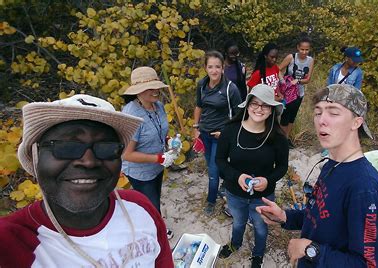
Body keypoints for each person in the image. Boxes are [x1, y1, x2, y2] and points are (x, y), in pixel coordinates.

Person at [0, 94, 173, 267]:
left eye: (106, 147)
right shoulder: (12, 242)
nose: (89, 161)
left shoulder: (139, 206)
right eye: (66, 146)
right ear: (35, 156)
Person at [256, 84, 378, 267]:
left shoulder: (365, 187)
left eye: (333, 113)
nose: (321, 120)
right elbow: (320, 215)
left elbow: (371, 264)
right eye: (318, 112)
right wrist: (285, 216)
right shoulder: (332, 164)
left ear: (356, 122)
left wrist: (310, 250)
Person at [216, 84, 289, 268]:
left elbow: (282, 167)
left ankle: (258, 255)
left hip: (263, 197)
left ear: (272, 110)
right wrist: (237, 176)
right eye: (255, 103)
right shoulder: (231, 130)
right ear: (247, 105)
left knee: (261, 228)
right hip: (234, 192)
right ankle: (235, 244)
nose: (259, 108)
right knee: (238, 222)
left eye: (265, 105)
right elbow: (220, 160)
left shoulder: (278, 137)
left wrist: (268, 180)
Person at [121, 66, 179, 240]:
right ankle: (156, 232)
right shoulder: (132, 116)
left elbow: (159, 129)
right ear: (138, 92)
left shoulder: (158, 106)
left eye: (157, 86)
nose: (156, 91)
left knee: (155, 199)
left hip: (157, 166)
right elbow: (127, 154)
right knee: (150, 203)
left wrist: (169, 140)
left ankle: (155, 224)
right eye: (150, 88)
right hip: (140, 172)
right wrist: (159, 157)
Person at [193, 50, 242, 215]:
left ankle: (211, 201)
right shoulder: (202, 85)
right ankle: (226, 183)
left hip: (220, 136)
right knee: (212, 164)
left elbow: (239, 115)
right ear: (205, 68)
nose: (214, 71)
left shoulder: (230, 89)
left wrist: (226, 133)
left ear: (223, 68)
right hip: (204, 133)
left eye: (217, 67)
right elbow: (199, 106)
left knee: (213, 171)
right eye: (210, 67)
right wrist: (196, 128)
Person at [278, 35, 315, 146]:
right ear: (298, 48)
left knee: (292, 116)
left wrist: (297, 81)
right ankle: (280, 139)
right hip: (288, 93)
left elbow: (307, 79)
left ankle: (286, 138)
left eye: (307, 49)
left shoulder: (310, 60)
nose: (304, 52)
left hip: (299, 93)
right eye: (302, 49)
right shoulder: (291, 57)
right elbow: (278, 70)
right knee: (285, 116)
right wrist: (283, 82)